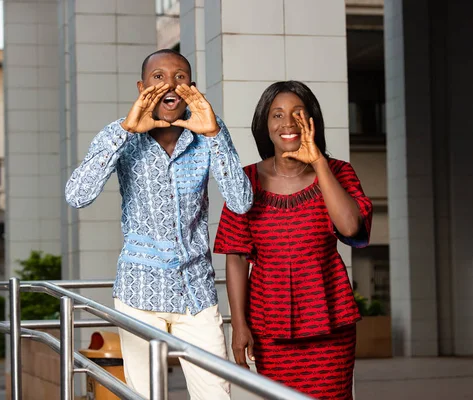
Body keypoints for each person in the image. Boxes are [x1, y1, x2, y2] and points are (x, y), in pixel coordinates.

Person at [65, 49, 253, 400]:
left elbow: (241, 202)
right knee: (144, 396)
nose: (170, 83)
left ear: (191, 87)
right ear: (142, 87)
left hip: (196, 293)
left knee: (217, 395)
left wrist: (214, 135)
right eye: (158, 77)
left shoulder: (208, 132)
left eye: (180, 76)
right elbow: (77, 195)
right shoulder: (120, 134)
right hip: (140, 293)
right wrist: (125, 131)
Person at [214, 81, 373, 399]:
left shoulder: (339, 172)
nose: (287, 123)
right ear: (265, 124)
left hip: (330, 322)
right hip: (269, 323)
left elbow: (351, 227)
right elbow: (235, 258)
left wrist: (318, 163)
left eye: (298, 113)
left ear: (312, 121)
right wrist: (239, 325)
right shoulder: (245, 181)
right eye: (277, 115)